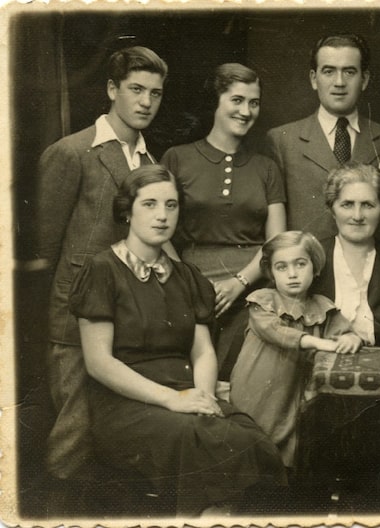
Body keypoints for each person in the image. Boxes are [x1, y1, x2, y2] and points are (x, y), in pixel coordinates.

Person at [69, 165, 286, 516]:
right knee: (200, 439)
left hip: (187, 394)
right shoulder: (102, 270)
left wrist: (202, 396)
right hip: (127, 405)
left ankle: (214, 518)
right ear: (127, 211)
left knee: (249, 437)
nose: (162, 215)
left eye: (171, 206)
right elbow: (99, 363)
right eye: (150, 204)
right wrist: (173, 400)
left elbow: (201, 350)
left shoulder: (186, 276)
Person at [31, 46, 168, 479]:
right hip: (75, 319)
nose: (146, 102)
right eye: (136, 90)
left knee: (113, 437)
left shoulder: (151, 162)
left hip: (129, 318)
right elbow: (45, 252)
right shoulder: (72, 153)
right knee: (74, 432)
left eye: (156, 93)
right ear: (112, 89)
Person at [161, 63, 286, 379]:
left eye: (254, 102)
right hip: (186, 286)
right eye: (237, 100)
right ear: (217, 101)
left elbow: (276, 243)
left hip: (253, 288)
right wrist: (186, 281)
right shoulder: (177, 158)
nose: (246, 111)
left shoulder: (266, 168)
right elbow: (158, 230)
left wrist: (240, 282)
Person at [230, 231, 363, 468]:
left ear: (315, 267)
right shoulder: (262, 301)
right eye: (281, 267)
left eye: (300, 264)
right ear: (271, 272)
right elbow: (276, 331)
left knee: (293, 446)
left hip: (294, 393)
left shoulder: (323, 307)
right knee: (254, 442)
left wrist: (353, 338)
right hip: (259, 391)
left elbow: (344, 333)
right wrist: (317, 342)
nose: (292, 274)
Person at [264, 33, 380, 242]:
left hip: (371, 267)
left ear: (364, 79)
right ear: (313, 79)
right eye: (328, 71)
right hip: (309, 268)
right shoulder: (282, 140)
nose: (339, 82)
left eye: (349, 72)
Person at [312, 162, 380, 346]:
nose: (357, 216)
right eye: (347, 204)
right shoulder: (313, 258)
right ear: (333, 210)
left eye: (367, 205)